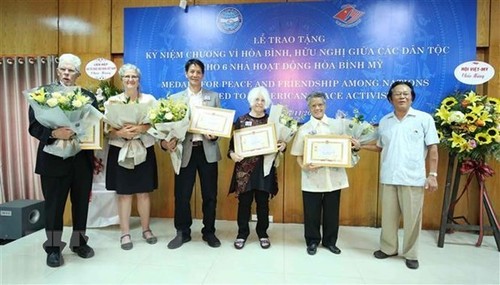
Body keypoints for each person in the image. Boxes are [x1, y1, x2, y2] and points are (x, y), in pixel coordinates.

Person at [361, 81, 438, 269]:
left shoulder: (424, 118)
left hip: (413, 178)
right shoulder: (386, 121)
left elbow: (433, 148)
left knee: (413, 219)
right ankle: (388, 248)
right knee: (388, 217)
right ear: (390, 98)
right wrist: (359, 145)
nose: (402, 96)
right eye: (397, 94)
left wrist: (433, 174)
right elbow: (379, 146)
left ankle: (411, 253)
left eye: (406, 93)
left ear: (412, 97)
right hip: (389, 176)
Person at [28, 53, 96, 267]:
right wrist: (55, 134)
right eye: (63, 70)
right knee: (54, 206)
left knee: (81, 205)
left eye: (71, 71)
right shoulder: (42, 95)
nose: (67, 74)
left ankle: (79, 242)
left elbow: (95, 126)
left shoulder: (88, 96)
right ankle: (54, 248)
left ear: (78, 74)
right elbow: (34, 126)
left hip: (81, 160)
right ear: (58, 71)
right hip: (52, 160)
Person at [161, 58, 222, 249]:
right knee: (182, 195)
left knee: (210, 195)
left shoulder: (213, 97)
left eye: (198, 72)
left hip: (207, 152)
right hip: (184, 151)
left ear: (203, 75)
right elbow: (165, 130)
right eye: (192, 71)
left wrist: (214, 136)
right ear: (186, 74)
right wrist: (165, 143)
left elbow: (219, 125)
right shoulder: (175, 99)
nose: (195, 75)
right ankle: (182, 232)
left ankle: (209, 232)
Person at [290, 91, 360, 256]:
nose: (317, 108)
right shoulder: (304, 129)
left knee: (332, 211)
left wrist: (355, 146)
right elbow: (298, 156)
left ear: (325, 105)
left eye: (320, 105)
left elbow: (349, 148)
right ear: (309, 108)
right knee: (311, 212)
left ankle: (330, 242)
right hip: (312, 177)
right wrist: (304, 166)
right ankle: (312, 241)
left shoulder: (339, 125)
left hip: (334, 177)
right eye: (313, 105)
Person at [104, 63, 158, 250]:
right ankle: (125, 233)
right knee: (124, 194)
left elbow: (157, 124)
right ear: (122, 79)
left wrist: (142, 128)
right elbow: (106, 130)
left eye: (133, 76)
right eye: (126, 77)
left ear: (138, 79)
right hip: (120, 150)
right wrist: (119, 133)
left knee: (143, 192)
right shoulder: (112, 102)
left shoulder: (149, 100)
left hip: (143, 148)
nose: (130, 80)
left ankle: (146, 229)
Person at [227, 86, 286, 250]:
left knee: (263, 203)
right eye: (256, 99)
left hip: (264, 169)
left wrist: (283, 145)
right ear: (251, 101)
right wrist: (233, 154)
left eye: (262, 100)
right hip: (244, 170)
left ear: (266, 102)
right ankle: (242, 233)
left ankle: (263, 233)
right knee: (244, 203)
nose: (259, 103)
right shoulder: (241, 120)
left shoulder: (272, 122)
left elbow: (281, 142)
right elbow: (231, 147)